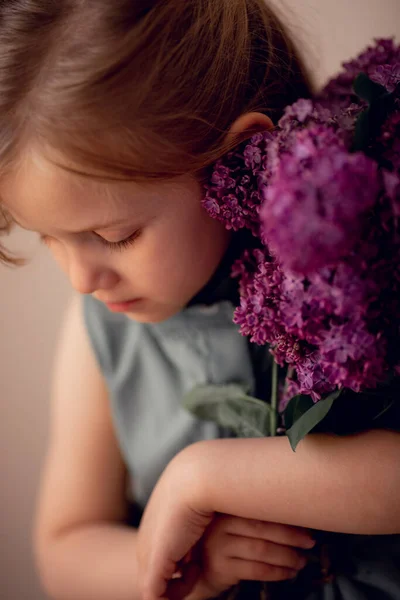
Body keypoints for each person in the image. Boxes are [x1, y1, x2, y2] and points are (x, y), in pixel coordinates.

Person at [1, 2, 399, 600]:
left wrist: (202, 478)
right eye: (48, 239)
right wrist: (188, 570)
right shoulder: (101, 327)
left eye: (115, 236)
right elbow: (63, 550)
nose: (81, 279)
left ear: (240, 160)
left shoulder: (347, 280)